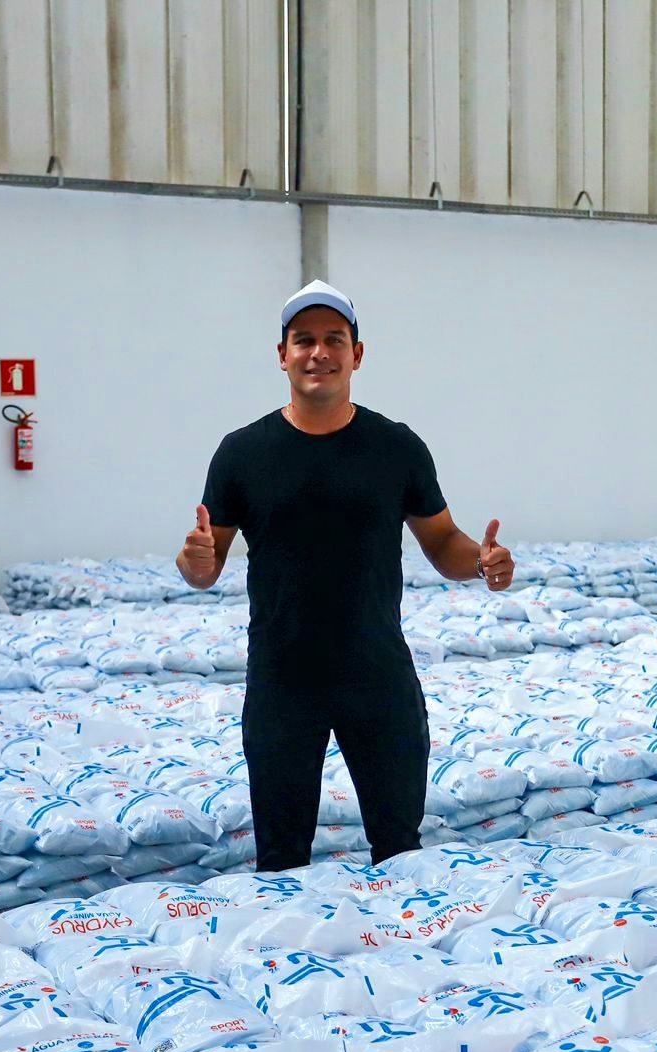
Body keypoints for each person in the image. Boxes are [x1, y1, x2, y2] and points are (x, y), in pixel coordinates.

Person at [176, 279, 515, 872]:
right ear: (282, 355)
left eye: (334, 339)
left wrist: (480, 563)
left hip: (376, 672)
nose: (319, 352)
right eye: (303, 340)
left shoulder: (396, 447)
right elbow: (205, 564)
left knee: (399, 847)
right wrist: (195, 562)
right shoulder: (243, 453)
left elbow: (442, 541)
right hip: (283, 677)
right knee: (281, 857)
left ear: (357, 354)